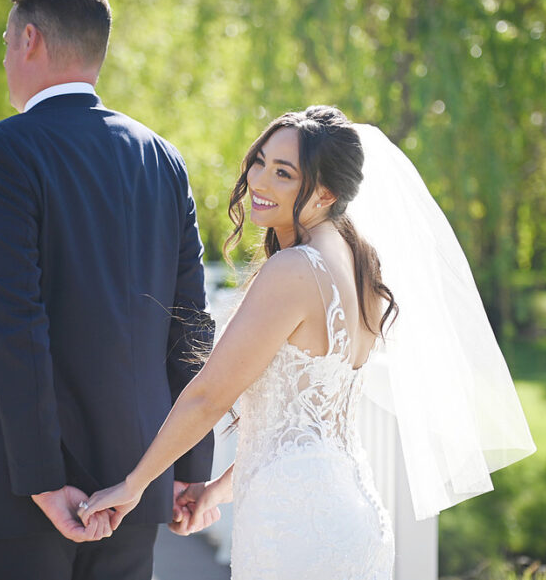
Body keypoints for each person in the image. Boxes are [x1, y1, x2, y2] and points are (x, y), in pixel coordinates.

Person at [0, 0, 216, 580]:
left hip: (16, 493)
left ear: (30, 40)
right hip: (135, 482)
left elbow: (14, 324)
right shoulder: (163, 159)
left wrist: (42, 480)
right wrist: (189, 467)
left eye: (7, 42)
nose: (7, 57)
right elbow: (189, 321)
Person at [81, 106, 400, 578]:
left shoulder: (294, 269)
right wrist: (214, 491)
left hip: (296, 529)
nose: (259, 180)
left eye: (284, 173)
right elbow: (301, 430)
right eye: (260, 161)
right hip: (353, 512)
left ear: (325, 194)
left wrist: (133, 486)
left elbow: (210, 395)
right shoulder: (361, 268)